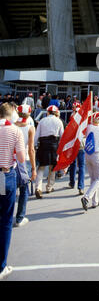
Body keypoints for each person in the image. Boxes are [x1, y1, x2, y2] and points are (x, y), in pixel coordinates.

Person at [0, 102, 25, 280]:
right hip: (5, 175)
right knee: (6, 220)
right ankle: (1, 265)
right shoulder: (15, 131)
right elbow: (22, 158)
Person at [34, 105, 64, 198]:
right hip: (54, 145)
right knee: (53, 166)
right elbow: (62, 135)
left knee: (41, 167)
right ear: (56, 113)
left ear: (48, 112)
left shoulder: (42, 121)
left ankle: (38, 188)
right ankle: (49, 187)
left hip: (43, 144)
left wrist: (35, 146)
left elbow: (37, 135)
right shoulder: (59, 121)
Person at [81, 112, 99, 211]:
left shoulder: (88, 127)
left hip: (87, 154)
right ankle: (87, 197)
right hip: (97, 154)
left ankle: (94, 201)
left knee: (93, 179)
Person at [14, 105, 36, 227]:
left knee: (5, 191)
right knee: (24, 191)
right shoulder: (30, 128)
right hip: (24, 162)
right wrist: (33, 168)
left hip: (10, 160)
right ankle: (19, 217)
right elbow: (31, 150)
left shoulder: (10, 125)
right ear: (29, 114)